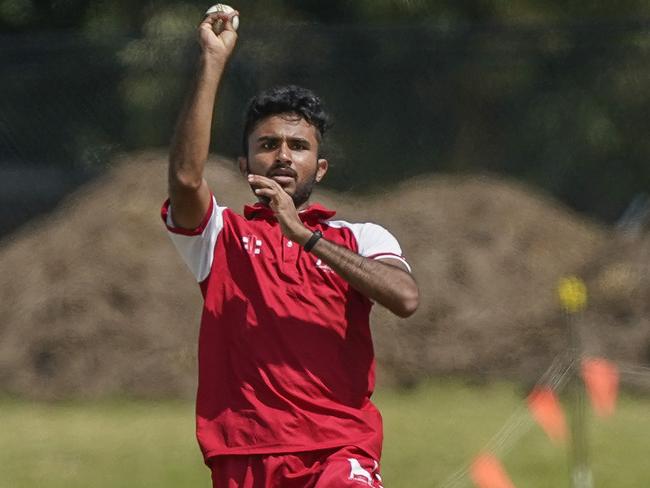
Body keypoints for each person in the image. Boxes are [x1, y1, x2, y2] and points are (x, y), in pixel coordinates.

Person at [162, 8, 420, 488]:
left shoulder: (361, 237)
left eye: (298, 146)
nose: (283, 155)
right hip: (243, 457)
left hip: (340, 451)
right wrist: (213, 62)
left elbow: (405, 298)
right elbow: (184, 178)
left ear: (319, 168)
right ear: (244, 163)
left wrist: (305, 236)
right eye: (268, 144)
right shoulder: (220, 237)